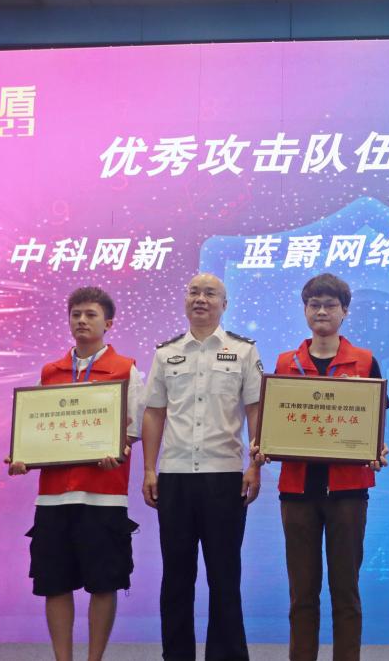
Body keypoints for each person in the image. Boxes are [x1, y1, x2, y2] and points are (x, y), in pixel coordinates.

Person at [6, 286, 144, 661]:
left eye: (90, 315)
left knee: (104, 582)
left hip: (104, 495)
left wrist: (120, 449)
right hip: (53, 497)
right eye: (76, 314)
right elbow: (35, 432)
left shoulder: (125, 369)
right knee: (54, 583)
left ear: (108, 323)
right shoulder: (50, 372)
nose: (82, 321)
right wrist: (23, 458)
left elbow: (132, 430)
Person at [256, 273, 389, 661]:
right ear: (304, 310)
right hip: (297, 491)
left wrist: (378, 448)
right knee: (301, 593)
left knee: (346, 590)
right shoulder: (286, 362)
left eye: (330, 305)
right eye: (314, 304)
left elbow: (374, 423)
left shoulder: (365, 361)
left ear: (344, 311)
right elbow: (274, 421)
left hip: (349, 492)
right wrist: (264, 444)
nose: (322, 311)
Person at [141, 272, 263, 661]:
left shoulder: (243, 351)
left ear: (224, 304)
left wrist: (255, 465)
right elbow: (154, 413)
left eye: (210, 293)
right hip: (175, 476)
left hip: (225, 477)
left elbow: (255, 410)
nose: (200, 299)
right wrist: (149, 469)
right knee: (176, 576)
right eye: (193, 291)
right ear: (184, 300)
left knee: (224, 576)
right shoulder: (166, 353)